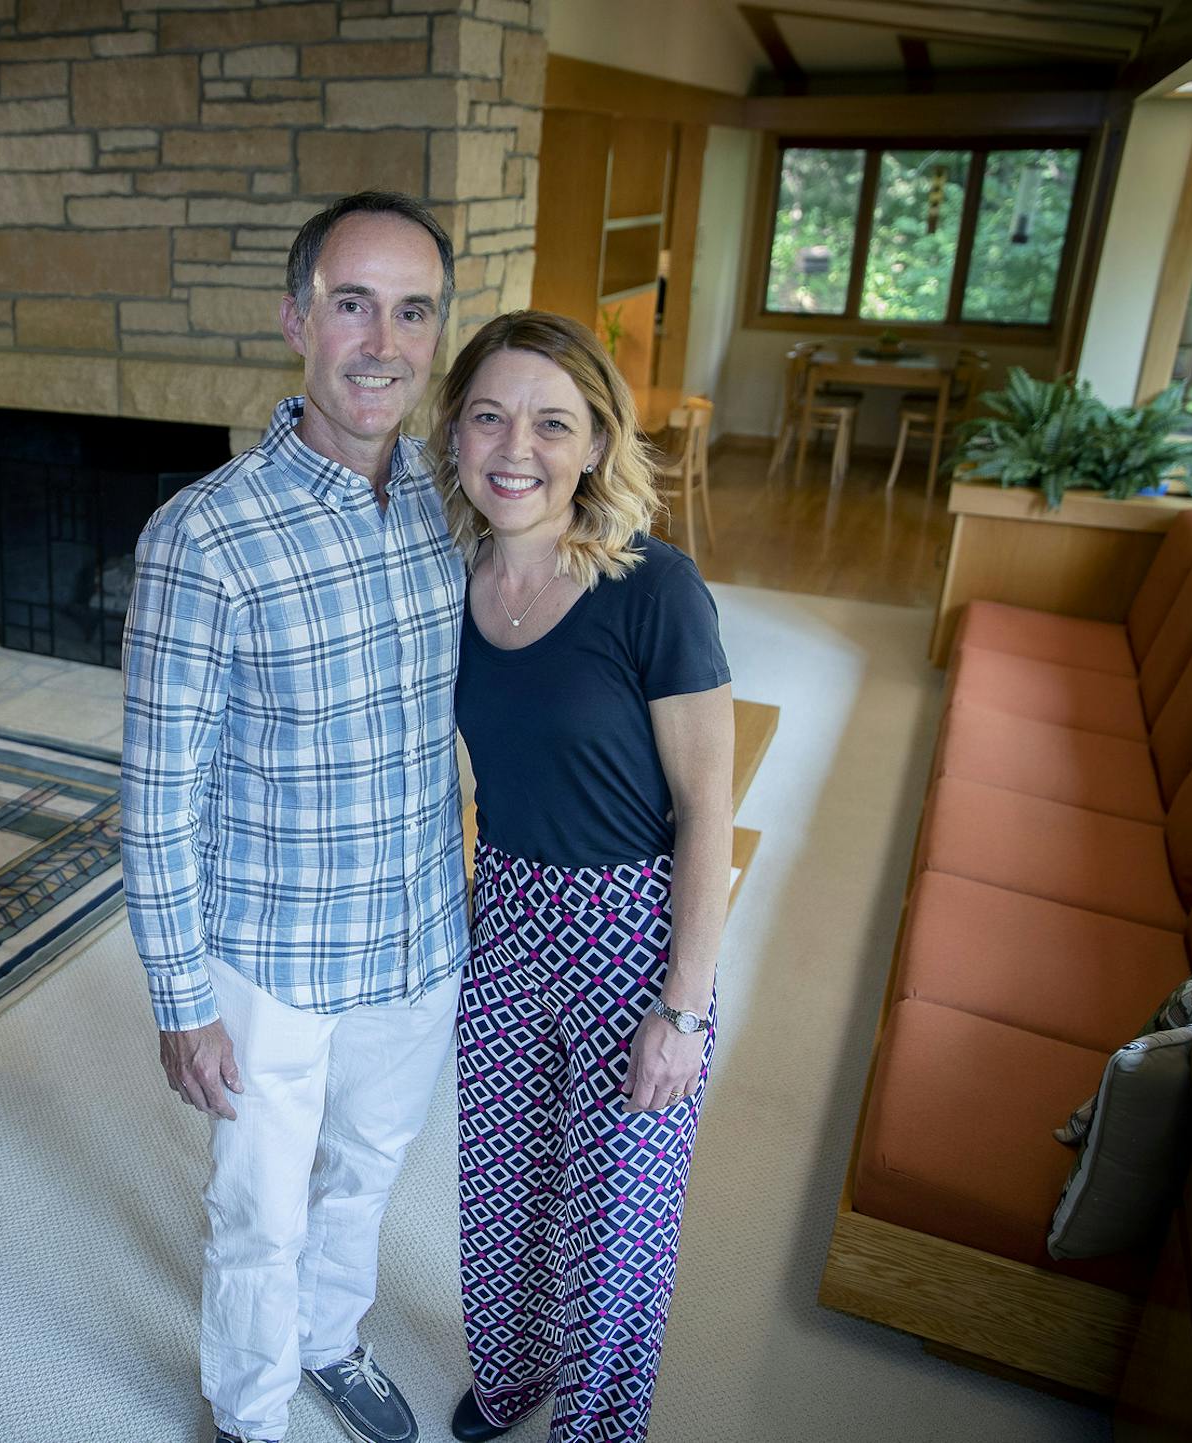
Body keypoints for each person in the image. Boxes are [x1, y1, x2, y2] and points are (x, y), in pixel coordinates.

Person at [121, 192, 469, 1443]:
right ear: (296, 320)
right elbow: (157, 794)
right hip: (268, 953)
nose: (382, 342)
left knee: (366, 1177)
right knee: (259, 1209)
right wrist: (178, 995)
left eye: (413, 311)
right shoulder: (200, 540)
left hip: (421, 934)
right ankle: (251, 1413)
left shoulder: (455, 500)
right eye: (352, 304)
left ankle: (330, 1339)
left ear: (437, 335)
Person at [433, 311, 734, 1443]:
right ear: (455, 433)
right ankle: (510, 1381)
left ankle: (596, 1429)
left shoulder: (656, 589)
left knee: (615, 1234)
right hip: (504, 913)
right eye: (491, 416)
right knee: (503, 1192)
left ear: (598, 443)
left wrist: (684, 1007)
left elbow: (709, 808)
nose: (519, 447)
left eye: (554, 423)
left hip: (636, 934)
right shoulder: (446, 578)